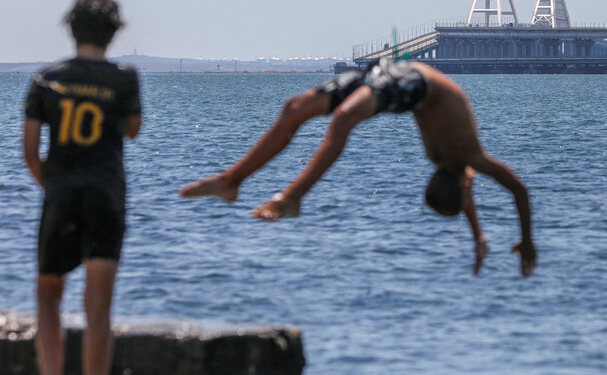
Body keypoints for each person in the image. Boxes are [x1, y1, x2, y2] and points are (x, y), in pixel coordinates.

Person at [179, 59, 536, 277]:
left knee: (338, 119)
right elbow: (518, 189)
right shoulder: (473, 159)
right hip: (409, 80)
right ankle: (233, 181)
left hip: (401, 83)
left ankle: (287, 196)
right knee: (296, 109)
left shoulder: (453, 166)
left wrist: (478, 236)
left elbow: (467, 192)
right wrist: (527, 241)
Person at [23, 0, 141, 375]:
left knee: (48, 293)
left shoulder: (47, 79)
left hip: (61, 193)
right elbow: (133, 130)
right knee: (98, 304)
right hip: (106, 195)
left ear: (71, 29)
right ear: (113, 33)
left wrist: (52, 187)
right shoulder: (124, 78)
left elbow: (29, 150)